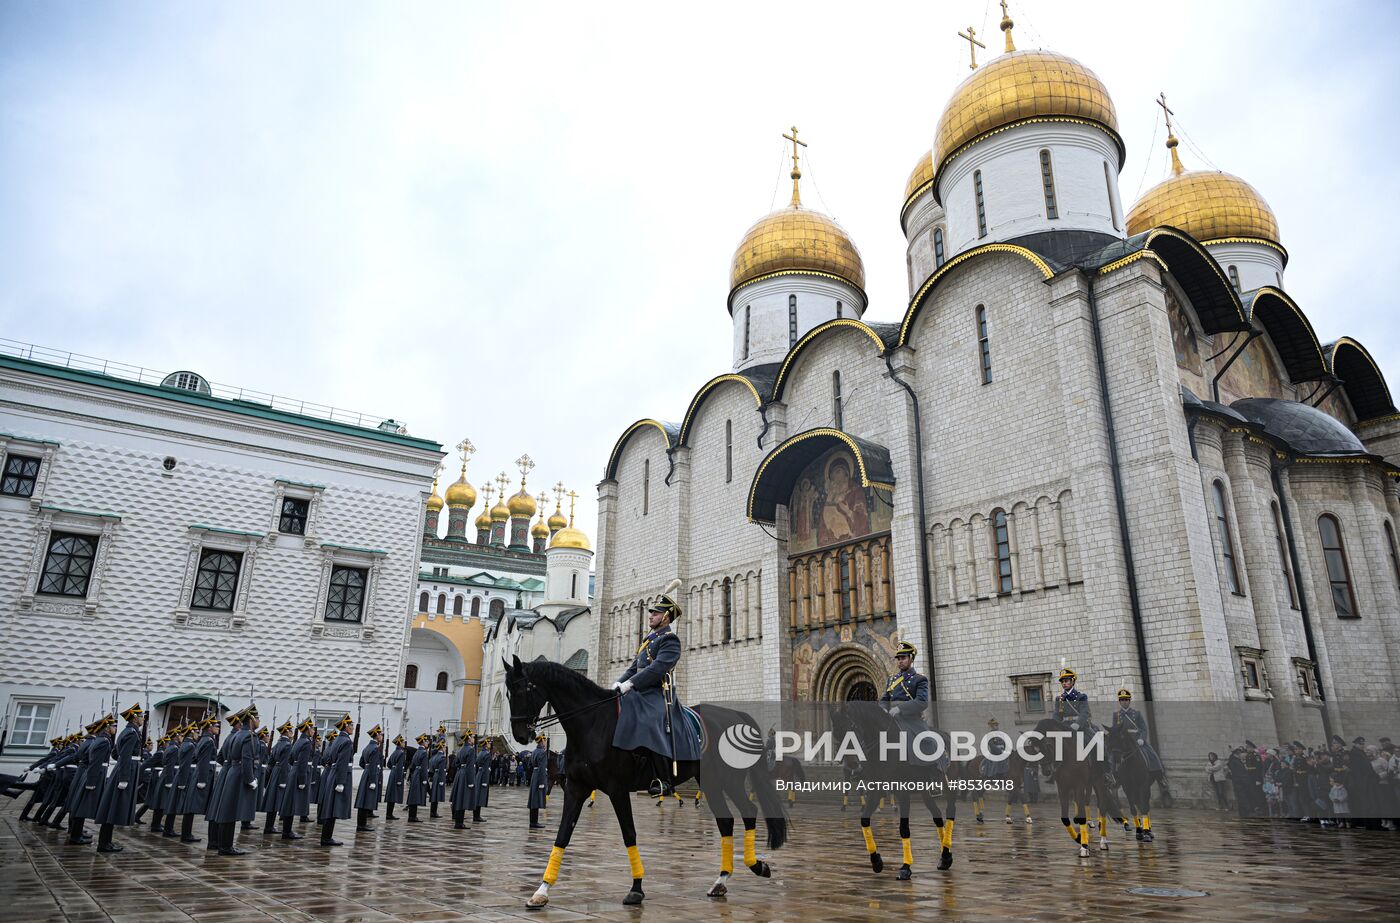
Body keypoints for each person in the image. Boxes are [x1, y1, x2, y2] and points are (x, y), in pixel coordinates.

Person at [611, 579, 702, 795]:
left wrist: (630, 684)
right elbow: (634, 667)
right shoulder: (648, 640)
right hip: (639, 691)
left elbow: (658, 669)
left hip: (659, 694)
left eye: (655, 613)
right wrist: (618, 682)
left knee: (650, 720)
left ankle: (663, 780)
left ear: (666, 617)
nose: (650, 616)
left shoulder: (670, 640)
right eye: (651, 613)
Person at [91, 704, 146, 852]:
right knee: (113, 807)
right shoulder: (131, 733)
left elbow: (116, 754)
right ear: (135, 718)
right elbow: (125, 755)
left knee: (113, 807)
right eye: (141, 717)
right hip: (124, 771)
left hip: (123, 768)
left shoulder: (128, 731)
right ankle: (104, 843)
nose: (143, 719)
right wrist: (124, 777)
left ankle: (106, 841)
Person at [207, 705, 260, 856]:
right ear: (250, 719)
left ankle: (224, 845)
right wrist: (250, 779)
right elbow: (247, 758)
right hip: (239, 774)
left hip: (232, 771)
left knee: (227, 811)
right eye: (256, 718)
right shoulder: (249, 736)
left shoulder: (236, 735)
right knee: (229, 812)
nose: (258, 721)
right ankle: (225, 847)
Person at [67, 715, 114, 845]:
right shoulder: (103, 741)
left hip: (92, 775)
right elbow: (95, 763)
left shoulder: (99, 740)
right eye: (113, 726)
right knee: (83, 806)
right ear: (107, 728)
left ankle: (76, 834)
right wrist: (91, 782)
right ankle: (75, 836)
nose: (115, 728)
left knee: (81, 805)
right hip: (94, 776)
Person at [317, 714, 355, 846]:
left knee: (330, 807)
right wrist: (340, 782)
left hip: (332, 774)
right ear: (345, 726)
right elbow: (342, 762)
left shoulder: (337, 740)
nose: (353, 728)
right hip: (338, 775)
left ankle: (326, 837)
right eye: (351, 726)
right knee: (332, 808)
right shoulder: (346, 741)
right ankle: (326, 838)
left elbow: (329, 759)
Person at [180, 715, 218, 845]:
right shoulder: (208, 741)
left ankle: (186, 833)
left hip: (201, 773)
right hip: (204, 774)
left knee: (190, 806)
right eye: (216, 726)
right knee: (191, 806)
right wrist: (202, 780)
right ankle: (186, 834)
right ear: (210, 727)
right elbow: (204, 760)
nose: (218, 728)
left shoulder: (204, 739)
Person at [277, 718, 315, 840]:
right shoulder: (306, 743)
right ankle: (287, 832)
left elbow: (291, 760)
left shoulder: (298, 741)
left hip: (294, 772)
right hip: (299, 773)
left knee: (289, 803)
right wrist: (302, 780)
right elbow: (303, 762)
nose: (313, 731)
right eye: (312, 728)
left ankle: (286, 831)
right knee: (292, 804)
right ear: (308, 729)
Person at [262, 720, 293, 835]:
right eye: (290, 731)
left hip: (275, 772)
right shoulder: (287, 745)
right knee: (283, 801)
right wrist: (283, 780)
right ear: (286, 732)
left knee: (272, 801)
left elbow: (270, 763)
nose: (292, 733)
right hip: (282, 774)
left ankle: (268, 826)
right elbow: (285, 763)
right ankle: (286, 829)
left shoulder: (276, 744)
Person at [355, 724, 385, 832]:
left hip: (366, 774)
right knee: (366, 800)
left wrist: (367, 769)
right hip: (371, 775)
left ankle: (361, 824)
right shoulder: (375, 749)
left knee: (363, 800)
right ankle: (362, 825)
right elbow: (373, 765)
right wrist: (373, 780)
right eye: (381, 734)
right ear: (376, 735)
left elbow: (361, 763)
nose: (382, 736)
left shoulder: (367, 748)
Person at [450, 734, 475, 829]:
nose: (473, 739)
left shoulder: (460, 750)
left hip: (459, 774)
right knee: (462, 798)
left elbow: (455, 763)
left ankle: (458, 821)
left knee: (459, 798)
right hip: (465, 775)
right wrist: (471, 781)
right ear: (468, 739)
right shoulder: (471, 750)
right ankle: (459, 823)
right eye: (472, 737)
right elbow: (470, 767)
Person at [527, 734, 550, 829]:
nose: (545, 742)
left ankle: (533, 821)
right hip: (539, 777)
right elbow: (541, 768)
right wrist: (541, 782)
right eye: (544, 741)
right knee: (535, 800)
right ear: (542, 741)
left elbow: (530, 765)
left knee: (533, 800)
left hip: (534, 776)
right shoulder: (542, 753)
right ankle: (534, 822)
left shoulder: (534, 751)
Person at [405, 734, 430, 822]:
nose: (428, 743)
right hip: (419, 775)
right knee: (415, 796)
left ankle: (412, 816)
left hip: (415, 773)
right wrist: (424, 779)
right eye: (426, 741)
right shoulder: (423, 752)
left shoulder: (417, 752)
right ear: (423, 742)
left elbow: (412, 765)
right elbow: (424, 767)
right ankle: (412, 817)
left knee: (413, 795)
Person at [384, 734, 408, 820]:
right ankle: (389, 814)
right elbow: (400, 767)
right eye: (403, 742)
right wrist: (399, 779)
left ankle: (389, 813)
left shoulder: (394, 752)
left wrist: (393, 769)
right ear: (400, 743)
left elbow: (388, 764)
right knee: (393, 795)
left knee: (391, 795)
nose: (404, 743)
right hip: (397, 774)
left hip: (392, 773)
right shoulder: (401, 753)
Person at [472, 734, 493, 823]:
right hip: (483, 776)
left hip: (478, 775)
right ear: (485, 743)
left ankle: (476, 815)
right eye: (488, 742)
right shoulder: (487, 754)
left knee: (477, 796)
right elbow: (485, 768)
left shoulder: (480, 753)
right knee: (480, 797)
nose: (489, 744)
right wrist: (485, 781)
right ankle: (477, 816)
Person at [428, 738, 447, 818]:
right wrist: (442, 780)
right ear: (442, 747)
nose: (445, 748)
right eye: (445, 746)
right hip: (439, 777)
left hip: (435, 775)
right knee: (436, 795)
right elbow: (442, 770)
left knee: (434, 794)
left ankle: (433, 812)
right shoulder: (442, 757)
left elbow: (431, 768)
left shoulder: (434, 757)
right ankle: (434, 812)